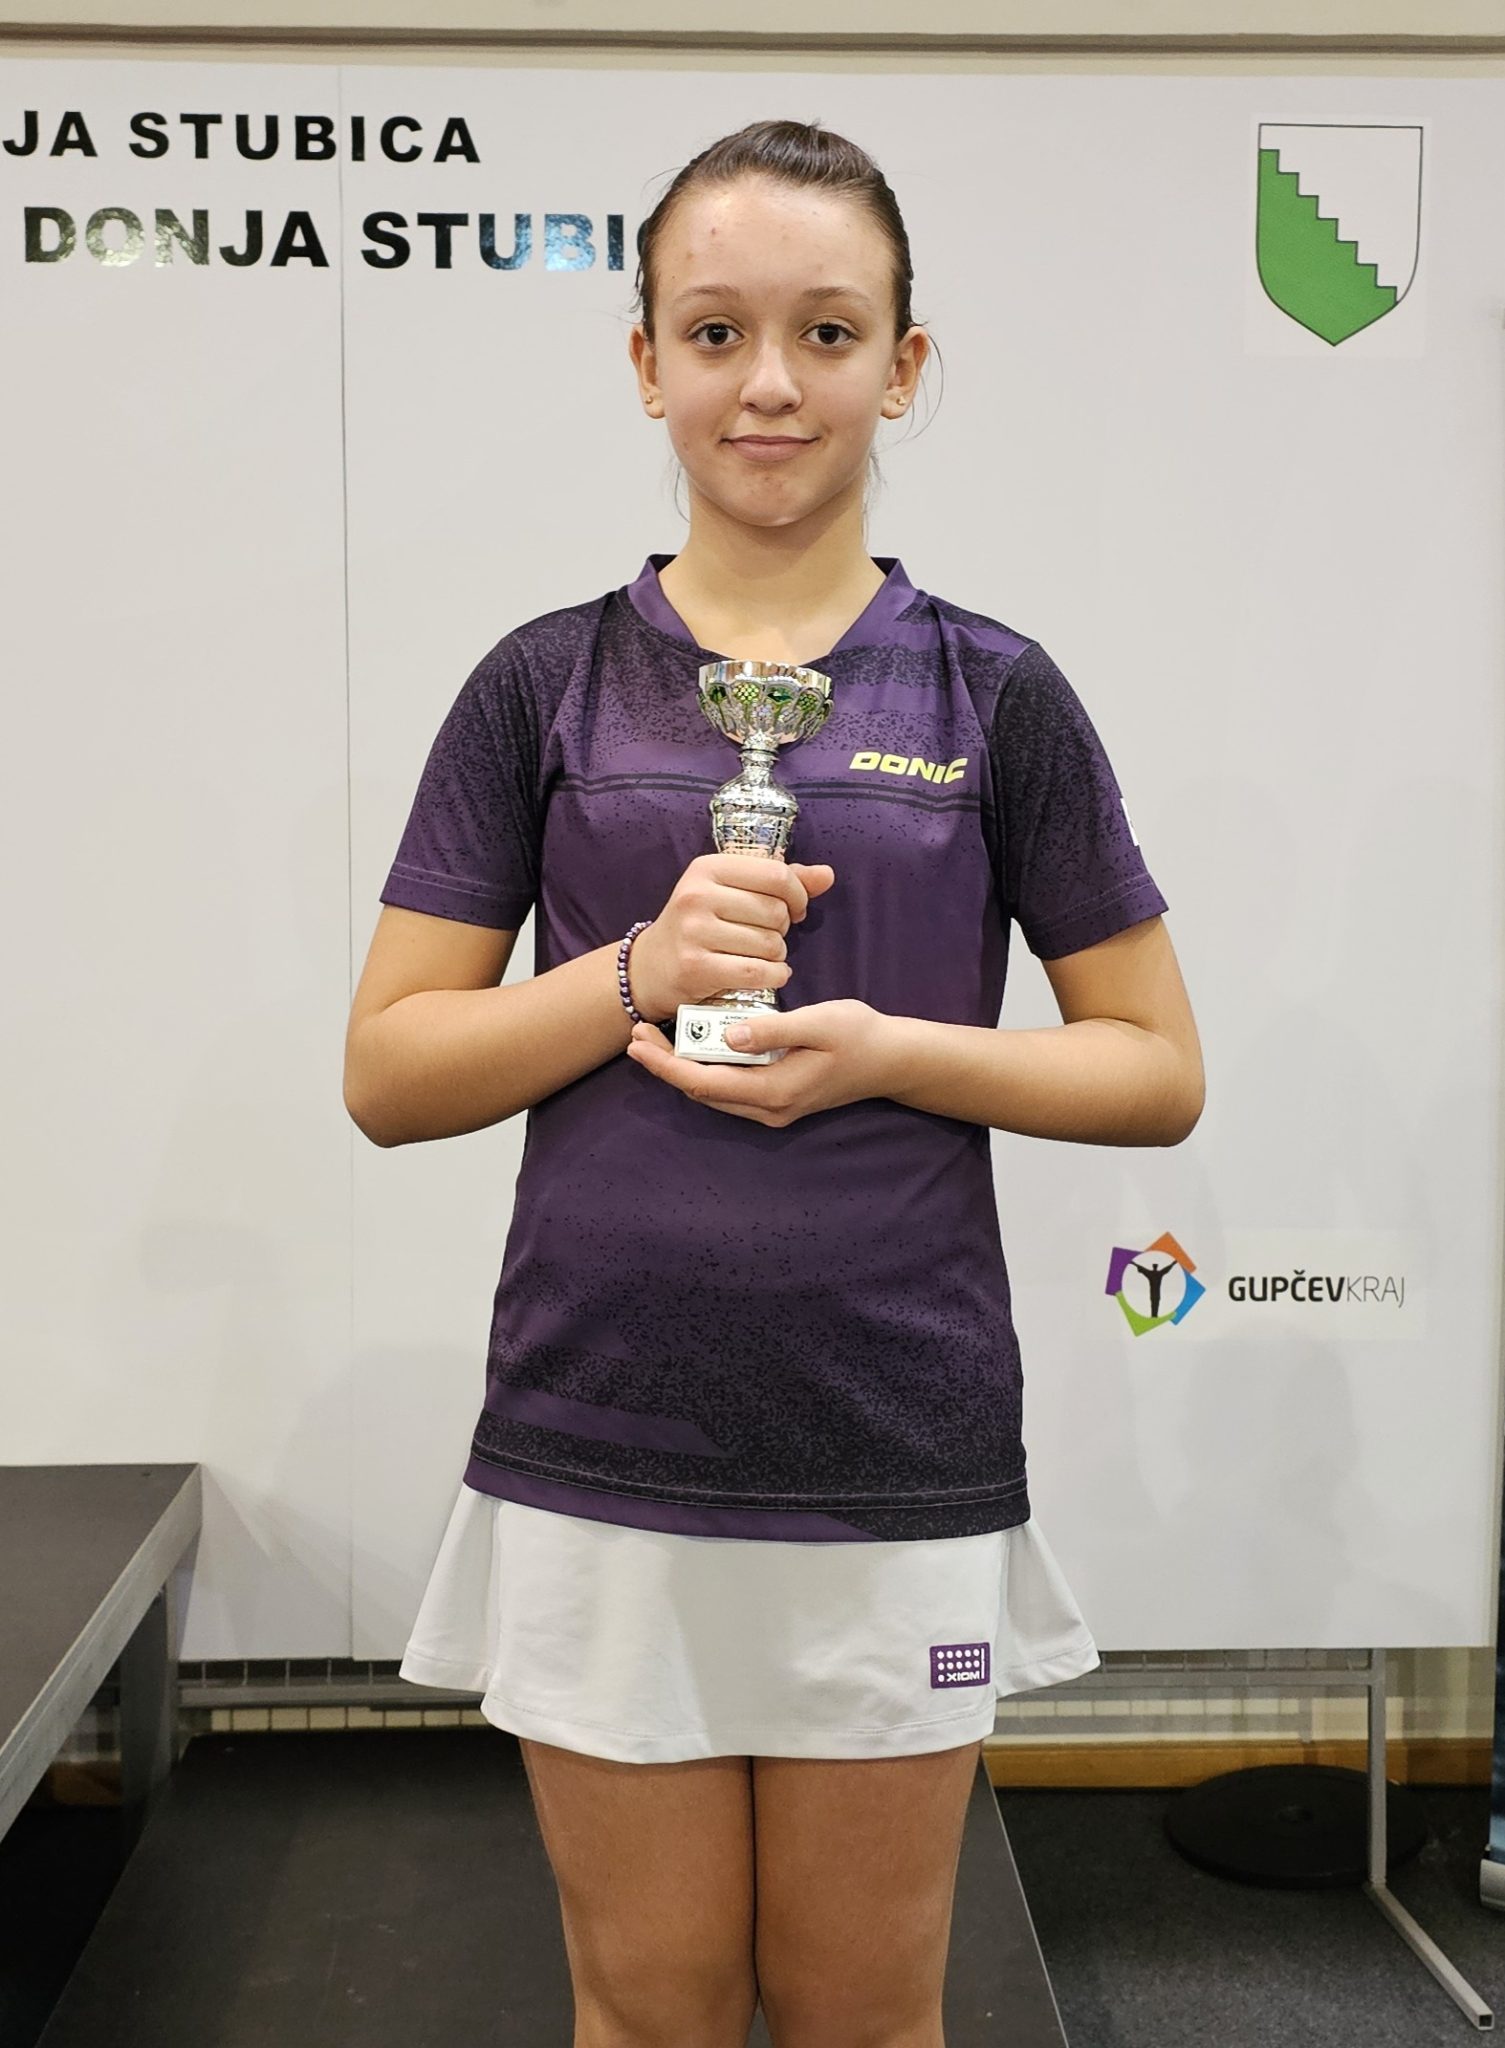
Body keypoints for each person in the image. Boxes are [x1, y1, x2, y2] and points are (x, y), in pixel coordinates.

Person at [345, 118, 1203, 2048]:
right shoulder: (541, 687)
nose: (767, 383)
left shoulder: (994, 692)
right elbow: (390, 1072)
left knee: (862, 2013)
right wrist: (631, 975)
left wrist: (889, 1058)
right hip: (603, 1431)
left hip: (893, 1437)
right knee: (646, 2008)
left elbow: (1155, 1072)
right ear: (644, 360)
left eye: (826, 332)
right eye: (715, 330)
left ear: (902, 365)